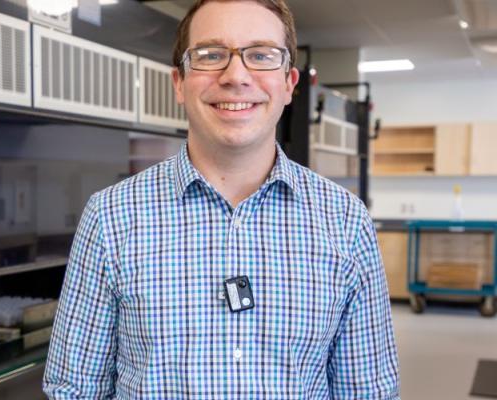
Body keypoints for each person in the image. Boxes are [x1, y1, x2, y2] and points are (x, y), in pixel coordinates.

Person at [43, 0, 400, 398]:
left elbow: (368, 391)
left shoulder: (345, 220)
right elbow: (73, 390)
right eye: (211, 55)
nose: (236, 75)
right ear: (179, 82)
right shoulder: (111, 217)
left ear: (288, 84)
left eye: (261, 55)